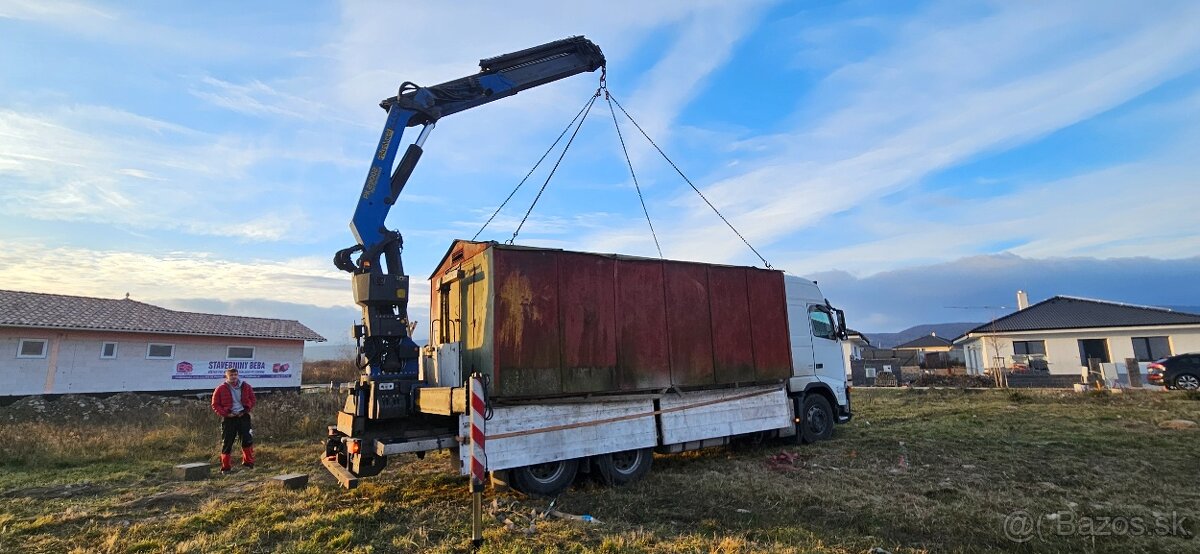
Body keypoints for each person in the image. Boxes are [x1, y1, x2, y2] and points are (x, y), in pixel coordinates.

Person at [210, 367, 256, 472]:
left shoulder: (246, 386)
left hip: (243, 417)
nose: (233, 377)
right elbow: (215, 404)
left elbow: (252, 399)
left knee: (247, 440)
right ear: (227, 376)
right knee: (227, 442)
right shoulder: (220, 388)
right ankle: (225, 468)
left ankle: (248, 463)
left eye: (235, 374)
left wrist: (245, 410)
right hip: (229, 419)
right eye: (231, 375)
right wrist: (226, 413)